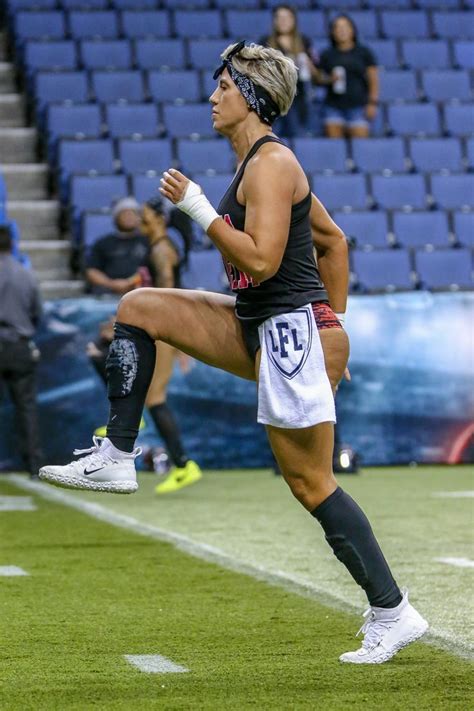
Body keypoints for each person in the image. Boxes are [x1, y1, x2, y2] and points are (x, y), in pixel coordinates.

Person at [39, 41, 428, 663]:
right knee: (139, 308)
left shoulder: (272, 165)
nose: (212, 98)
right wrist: (337, 325)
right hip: (268, 323)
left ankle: (393, 611)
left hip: (287, 332)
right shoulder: (257, 164)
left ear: (249, 95)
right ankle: (117, 454)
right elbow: (334, 242)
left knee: (310, 483)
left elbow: (261, 258)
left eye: (222, 87)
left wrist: (195, 207)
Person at [87, 196, 202, 494]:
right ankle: (172, 455)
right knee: (109, 359)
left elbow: (169, 298)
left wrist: (177, 342)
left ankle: (182, 463)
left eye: (146, 217)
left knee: (155, 397)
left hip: (163, 329)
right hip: (156, 327)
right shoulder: (154, 249)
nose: (141, 221)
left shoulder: (162, 250)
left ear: (159, 220)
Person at [0, 225, 43, 477]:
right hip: (19, 345)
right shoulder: (26, 275)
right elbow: (37, 312)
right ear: (12, 245)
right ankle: (34, 465)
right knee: (26, 408)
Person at [259, 4, 320, 138]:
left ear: (294, 20)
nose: (283, 21)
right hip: (273, 99)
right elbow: (257, 72)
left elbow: (317, 75)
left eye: (287, 17)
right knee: (271, 139)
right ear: (274, 21)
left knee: (298, 136)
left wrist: (308, 65)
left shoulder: (304, 42)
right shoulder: (265, 42)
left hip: (299, 98)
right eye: (279, 17)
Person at [318, 14, 379, 139]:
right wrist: (329, 79)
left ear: (352, 30)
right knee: (335, 149)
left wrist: (372, 103)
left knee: (360, 148)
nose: (342, 30)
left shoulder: (363, 52)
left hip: (358, 107)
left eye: (345, 27)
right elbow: (318, 79)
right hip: (333, 107)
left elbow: (373, 79)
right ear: (332, 32)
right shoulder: (327, 54)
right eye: (338, 27)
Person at [85, 197, 152, 295]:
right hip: (108, 291)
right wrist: (111, 284)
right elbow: (92, 271)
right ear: (116, 218)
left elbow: (154, 270)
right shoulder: (103, 242)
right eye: (125, 214)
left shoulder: (147, 242)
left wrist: (131, 282)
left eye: (133, 214)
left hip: (141, 290)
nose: (129, 217)